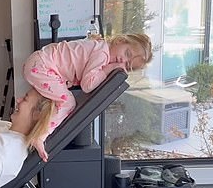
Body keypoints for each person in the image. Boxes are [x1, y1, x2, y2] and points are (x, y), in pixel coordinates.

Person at [23, 33, 153, 162]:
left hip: (40, 62)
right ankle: (40, 136)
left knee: (51, 102)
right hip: (42, 65)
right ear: (120, 41)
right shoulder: (102, 54)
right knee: (67, 103)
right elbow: (88, 85)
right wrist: (109, 69)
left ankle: (28, 130)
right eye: (127, 53)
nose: (122, 61)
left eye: (128, 65)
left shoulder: (100, 47)